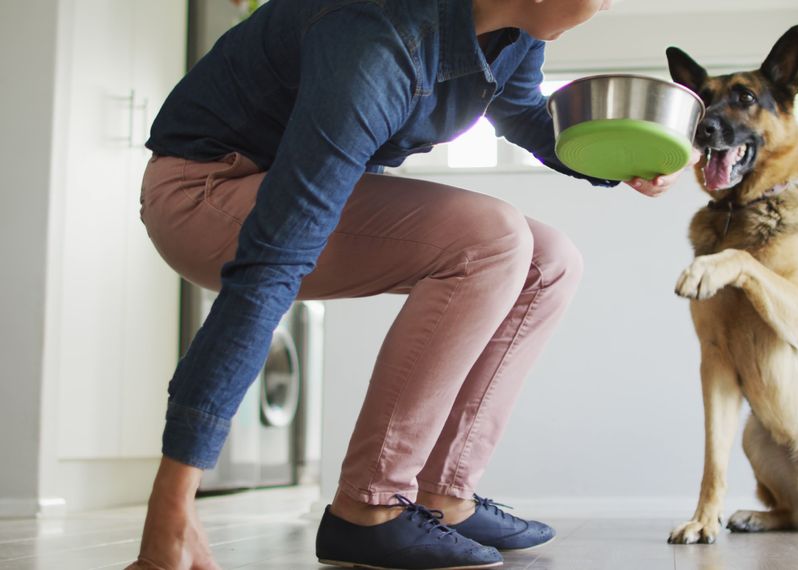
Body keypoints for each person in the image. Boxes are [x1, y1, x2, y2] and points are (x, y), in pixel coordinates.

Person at [128, 0, 694, 568]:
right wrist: (173, 500)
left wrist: (617, 158)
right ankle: (369, 510)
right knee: (493, 239)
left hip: (272, 184)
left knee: (550, 261)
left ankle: (445, 493)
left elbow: (520, 110)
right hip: (205, 193)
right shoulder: (377, 39)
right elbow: (271, 263)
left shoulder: (518, 29)